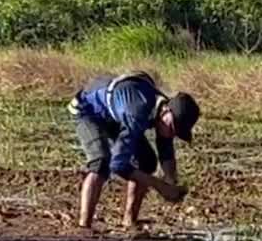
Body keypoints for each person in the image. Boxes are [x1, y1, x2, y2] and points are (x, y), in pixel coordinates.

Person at [69, 70, 200, 230]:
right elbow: (118, 165)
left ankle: (129, 221)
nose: (172, 134)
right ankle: (84, 227)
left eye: (177, 133)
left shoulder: (162, 115)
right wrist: (160, 186)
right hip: (87, 110)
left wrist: (171, 181)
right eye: (173, 128)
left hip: (115, 116)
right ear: (165, 111)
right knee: (101, 162)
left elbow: (165, 148)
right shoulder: (137, 112)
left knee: (146, 162)